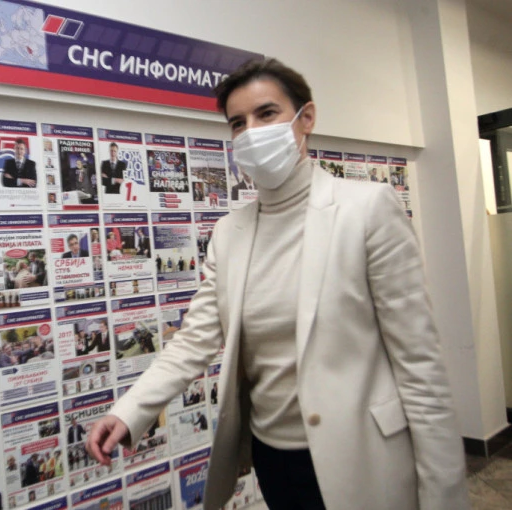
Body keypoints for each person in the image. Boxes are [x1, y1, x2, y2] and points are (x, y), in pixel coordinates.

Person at [86, 58, 468, 510]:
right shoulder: (229, 232)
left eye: (266, 114)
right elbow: (195, 339)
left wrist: (445, 497)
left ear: (306, 118)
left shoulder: (367, 209)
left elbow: (419, 365)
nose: (251, 132)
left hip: (363, 455)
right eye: (238, 123)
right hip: (273, 458)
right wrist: (130, 411)